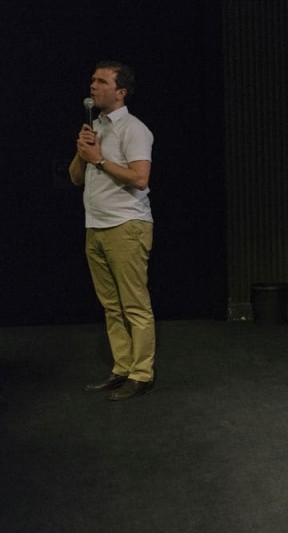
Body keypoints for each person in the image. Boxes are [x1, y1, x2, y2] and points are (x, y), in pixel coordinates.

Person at [68, 61, 156, 401]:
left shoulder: (133, 129)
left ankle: (142, 373)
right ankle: (122, 367)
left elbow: (140, 178)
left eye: (101, 81)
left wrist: (100, 160)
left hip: (126, 226)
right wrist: (83, 152)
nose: (93, 86)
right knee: (111, 305)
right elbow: (76, 177)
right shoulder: (96, 127)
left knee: (134, 304)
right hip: (96, 226)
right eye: (92, 80)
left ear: (120, 92)